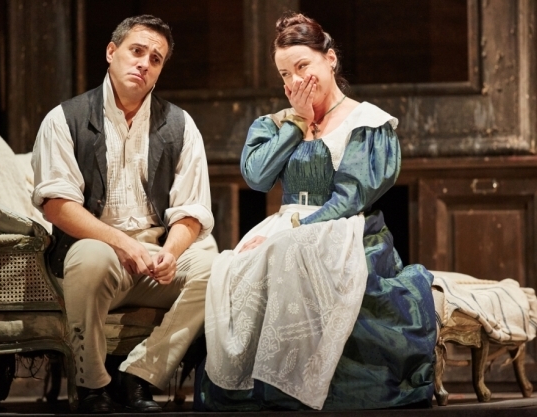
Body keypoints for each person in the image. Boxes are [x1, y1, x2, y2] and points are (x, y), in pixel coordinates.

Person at [198, 13, 437, 411]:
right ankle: (254, 385)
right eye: (285, 74)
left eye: (302, 66)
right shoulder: (276, 124)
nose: (295, 81)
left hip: (345, 229)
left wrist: (292, 232)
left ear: (330, 59)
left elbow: (350, 197)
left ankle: (296, 387)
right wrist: (298, 123)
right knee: (233, 268)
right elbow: (257, 178)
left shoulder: (367, 123)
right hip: (285, 225)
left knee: (284, 252)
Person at [31, 15, 216, 414]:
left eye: (156, 58)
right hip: (95, 249)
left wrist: (171, 252)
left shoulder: (180, 125)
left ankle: (141, 374)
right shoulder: (65, 119)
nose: (144, 63)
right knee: (92, 258)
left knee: (219, 270)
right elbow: (57, 204)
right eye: (137, 51)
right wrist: (121, 243)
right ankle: (92, 384)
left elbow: (192, 210)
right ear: (111, 52)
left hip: (154, 256)